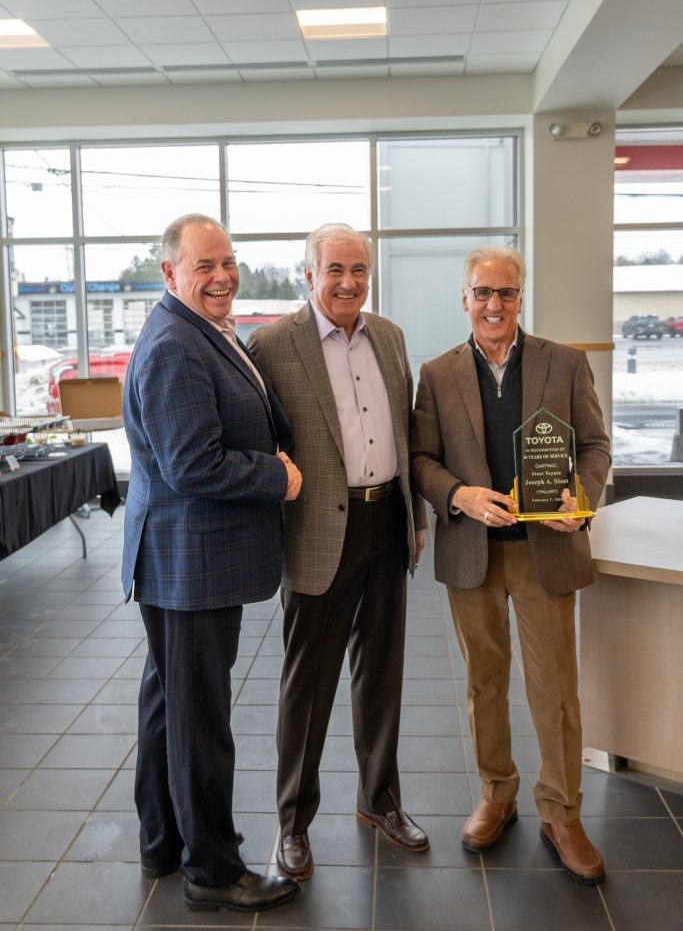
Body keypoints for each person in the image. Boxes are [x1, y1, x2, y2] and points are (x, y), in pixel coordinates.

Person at [410, 246, 611, 886]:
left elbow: (596, 445)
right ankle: (497, 793)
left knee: (555, 691)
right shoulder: (437, 374)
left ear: (521, 297)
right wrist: (458, 496)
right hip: (473, 553)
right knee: (484, 685)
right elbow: (420, 459)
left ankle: (562, 812)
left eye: (507, 293)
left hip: (544, 553)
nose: (494, 305)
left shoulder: (566, 362)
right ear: (463, 298)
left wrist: (580, 499)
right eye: (482, 293)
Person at [121, 213, 302, 914]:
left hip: (177, 556)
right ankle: (212, 869)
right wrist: (277, 476)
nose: (222, 275)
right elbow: (194, 463)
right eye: (204, 265)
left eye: (227, 261)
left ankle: (163, 841)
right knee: (199, 718)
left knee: (170, 703)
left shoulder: (198, 331)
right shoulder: (175, 345)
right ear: (170, 273)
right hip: (187, 560)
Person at [249, 222, 429, 880]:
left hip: (387, 523)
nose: (348, 283)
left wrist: (415, 513)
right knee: (308, 684)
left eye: (358, 269)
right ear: (308, 274)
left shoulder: (389, 336)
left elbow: (404, 431)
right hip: (317, 532)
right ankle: (292, 822)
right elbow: (258, 442)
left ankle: (379, 801)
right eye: (334, 270)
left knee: (381, 672)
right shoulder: (271, 345)